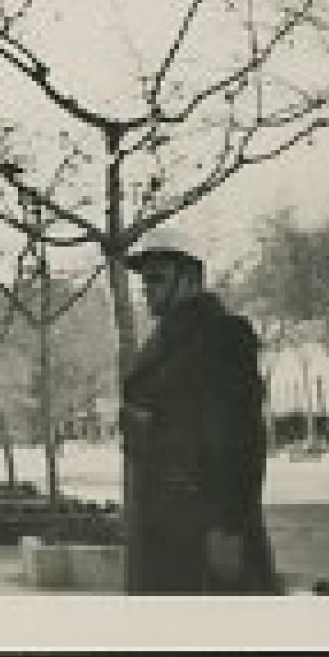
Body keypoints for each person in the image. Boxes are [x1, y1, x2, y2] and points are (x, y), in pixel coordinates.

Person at [119, 228, 280, 595]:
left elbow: (242, 440)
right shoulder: (163, 341)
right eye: (144, 281)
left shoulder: (222, 335)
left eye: (157, 279)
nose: (146, 290)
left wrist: (229, 528)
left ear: (190, 279)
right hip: (163, 523)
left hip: (206, 528)